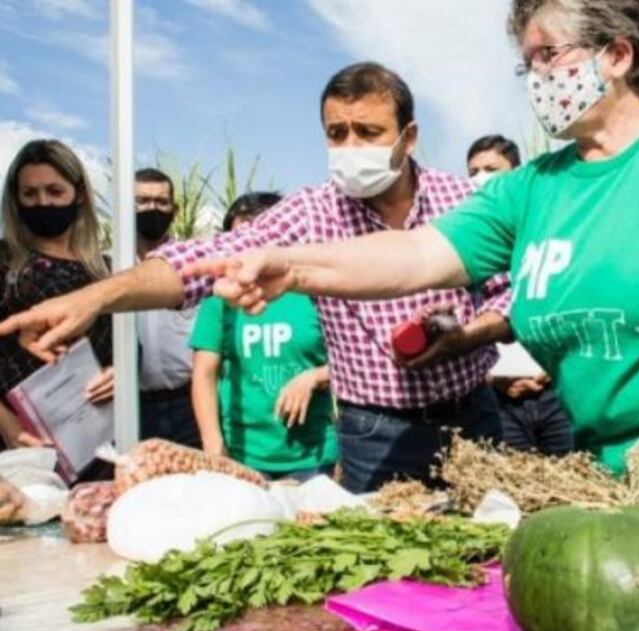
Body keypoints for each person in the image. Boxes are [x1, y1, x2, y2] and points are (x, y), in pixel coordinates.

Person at [175, 0, 639, 486]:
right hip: (619, 474)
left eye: (548, 55)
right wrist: (291, 265)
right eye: (527, 62)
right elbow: (416, 254)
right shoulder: (531, 189)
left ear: (617, 54)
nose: (535, 77)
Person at [0, 63, 511, 494]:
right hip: (372, 432)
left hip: (471, 418)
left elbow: (510, 292)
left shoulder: (462, 203)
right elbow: (210, 256)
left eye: (369, 133)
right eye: (337, 133)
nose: (351, 147)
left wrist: (469, 336)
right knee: (381, 582)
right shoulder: (313, 213)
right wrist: (96, 298)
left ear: (409, 136)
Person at [190, 192, 337, 480]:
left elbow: (355, 361)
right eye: (238, 242)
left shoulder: (314, 292)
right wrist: (213, 446)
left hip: (311, 456)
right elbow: (204, 374)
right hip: (242, 455)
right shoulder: (220, 300)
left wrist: (314, 377)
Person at [0, 139, 114, 456]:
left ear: (77, 194)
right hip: (22, 441)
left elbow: (129, 343)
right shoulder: (5, 261)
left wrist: (119, 373)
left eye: (54, 191)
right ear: (16, 199)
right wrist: (6, 422)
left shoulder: (103, 270)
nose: (42, 202)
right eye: (30, 194)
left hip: (98, 438)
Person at [467, 134, 574, 455]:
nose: (480, 178)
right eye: (472, 172)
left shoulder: (546, 233)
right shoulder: (469, 253)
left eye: (490, 168)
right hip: (500, 402)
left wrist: (557, 365)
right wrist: (493, 379)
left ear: (517, 174)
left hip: (558, 394)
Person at [134, 168, 200, 448]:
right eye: (143, 201)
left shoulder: (195, 263)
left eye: (161, 202)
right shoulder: (108, 267)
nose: (152, 208)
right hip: (130, 405)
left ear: (174, 209)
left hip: (189, 403)